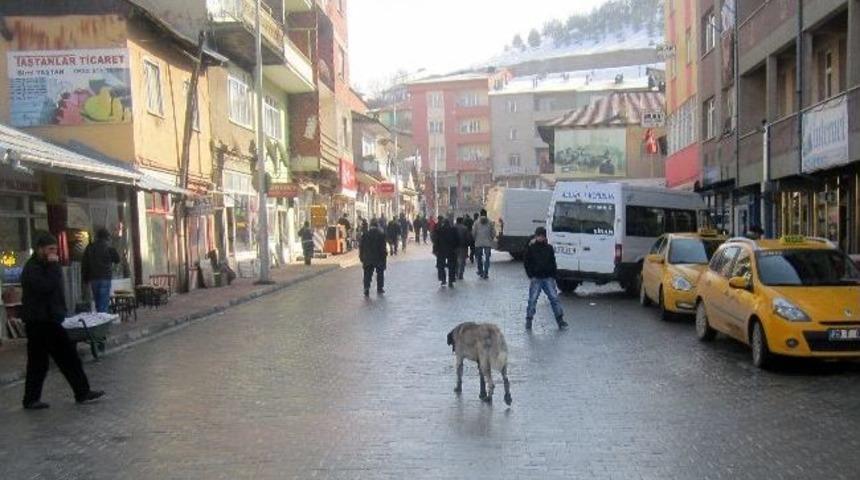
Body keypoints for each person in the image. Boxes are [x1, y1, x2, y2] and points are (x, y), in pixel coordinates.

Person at [21, 233, 105, 409]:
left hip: (50, 319)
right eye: (50, 249)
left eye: (55, 249)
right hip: (39, 321)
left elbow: (55, 289)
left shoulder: (48, 266)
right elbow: (46, 286)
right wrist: (53, 266)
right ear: (40, 249)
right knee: (45, 361)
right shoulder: (33, 268)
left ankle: (81, 392)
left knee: (64, 358)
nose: (54, 253)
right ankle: (32, 399)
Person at [523, 227, 568, 330]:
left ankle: (560, 320)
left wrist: (553, 274)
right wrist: (531, 275)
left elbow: (553, 262)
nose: (540, 238)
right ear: (536, 236)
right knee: (532, 300)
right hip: (536, 278)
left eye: (542, 236)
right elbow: (526, 262)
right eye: (539, 236)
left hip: (548, 277)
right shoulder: (531, 248)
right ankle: (529, 320)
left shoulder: (549, 248)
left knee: (554, 298)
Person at [81, 227, 120, 313]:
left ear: (97, 237)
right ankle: (103, 321)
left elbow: (85, 264)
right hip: (105, 277)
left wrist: (85, 278)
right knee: (103, 303)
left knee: (98, 302)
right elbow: (117, 259)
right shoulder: (108, 247)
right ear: (106, 238)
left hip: (94, 278)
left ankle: (100, 318)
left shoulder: (90, 247)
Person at [359, 220, 388, 296]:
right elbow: (383, 248)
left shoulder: (365, 234)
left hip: (368, 257)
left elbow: (361, 247)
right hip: (378, 257)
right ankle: (380, 288)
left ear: (370, 226)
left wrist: (361, 256)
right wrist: (384, 257)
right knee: (380, 273)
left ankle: (366, 287)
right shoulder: (381, 234)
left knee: (367, 274)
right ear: (377, 226)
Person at [434, 218, 458, 287]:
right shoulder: (453, 230)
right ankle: (451, 280)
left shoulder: (439, 230)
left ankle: (443, 279)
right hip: (451, 250)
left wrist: (435, 249)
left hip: (441, 250)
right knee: (452, 266)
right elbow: (457, 240)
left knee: (441, 265)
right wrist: (456, 248)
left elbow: (436, 241)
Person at [472, 209, 496, 279]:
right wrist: (491, 238)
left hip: (478, 243)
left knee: (479, 258)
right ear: (486, 214)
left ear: (480, 214)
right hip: (488, 243)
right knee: (487, 258)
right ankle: (486, 272)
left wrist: (475, 239)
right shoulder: (490, 222)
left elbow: (473, 232)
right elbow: (493, 232)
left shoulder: (476, 222)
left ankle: (480, 271)